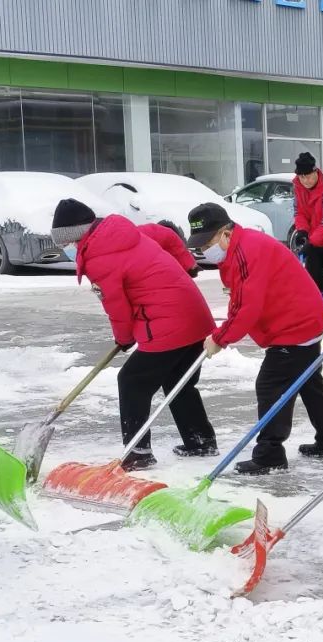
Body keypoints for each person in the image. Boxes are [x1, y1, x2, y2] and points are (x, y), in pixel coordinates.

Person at [50, 199, 216, 471]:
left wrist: (124, 337)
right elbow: (167, 235)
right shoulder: (124, 232)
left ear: (75, 236)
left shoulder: (98, 257)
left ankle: (138, 452)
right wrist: (187, 265)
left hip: (168, 323)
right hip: (195, 316)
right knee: (179, 382)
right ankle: (200, 440)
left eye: (65, 243)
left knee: (132, 381)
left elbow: (117, 306)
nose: (67, 249)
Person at [187, 202, 323, 475]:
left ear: (225, 232)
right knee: (308, 381)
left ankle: (270, 454)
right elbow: (243, 298)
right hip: (301, 318)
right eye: (199, 246)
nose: (204, 251)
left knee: (270, 385)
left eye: (207, 242)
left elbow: (247, 306)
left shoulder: (248, 250)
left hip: (294, 326)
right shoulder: (238, 249)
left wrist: (220, 338)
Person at [290, 152, 323, 299]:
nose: (305, 180)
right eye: (301, 177)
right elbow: (299, 212)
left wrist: (311, 242)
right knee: (312, 281)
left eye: (308, 175)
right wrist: (302, 231)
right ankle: (317, 310)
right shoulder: (297, 186)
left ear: (315, 171)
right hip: (314, 241)